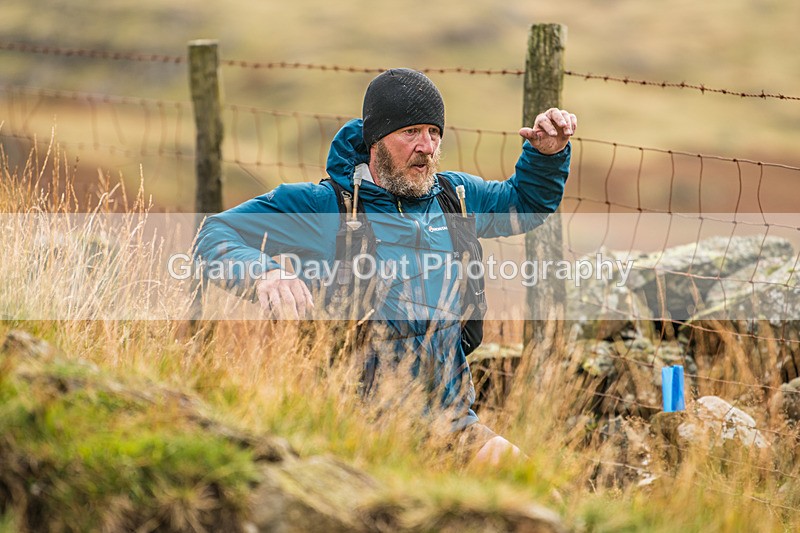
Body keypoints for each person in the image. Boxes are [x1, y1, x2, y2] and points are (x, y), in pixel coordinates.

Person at [194, 68, 576, 465]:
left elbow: (525, 205)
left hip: (451, 425)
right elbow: (214, 233)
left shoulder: (454, 199)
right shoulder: (327, 207)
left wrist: (546, 156)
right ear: (376, 141)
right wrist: (264, 273)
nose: (426, 146)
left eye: (434, 132)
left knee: (535, 488)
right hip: (347, 433)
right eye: (411, 132)